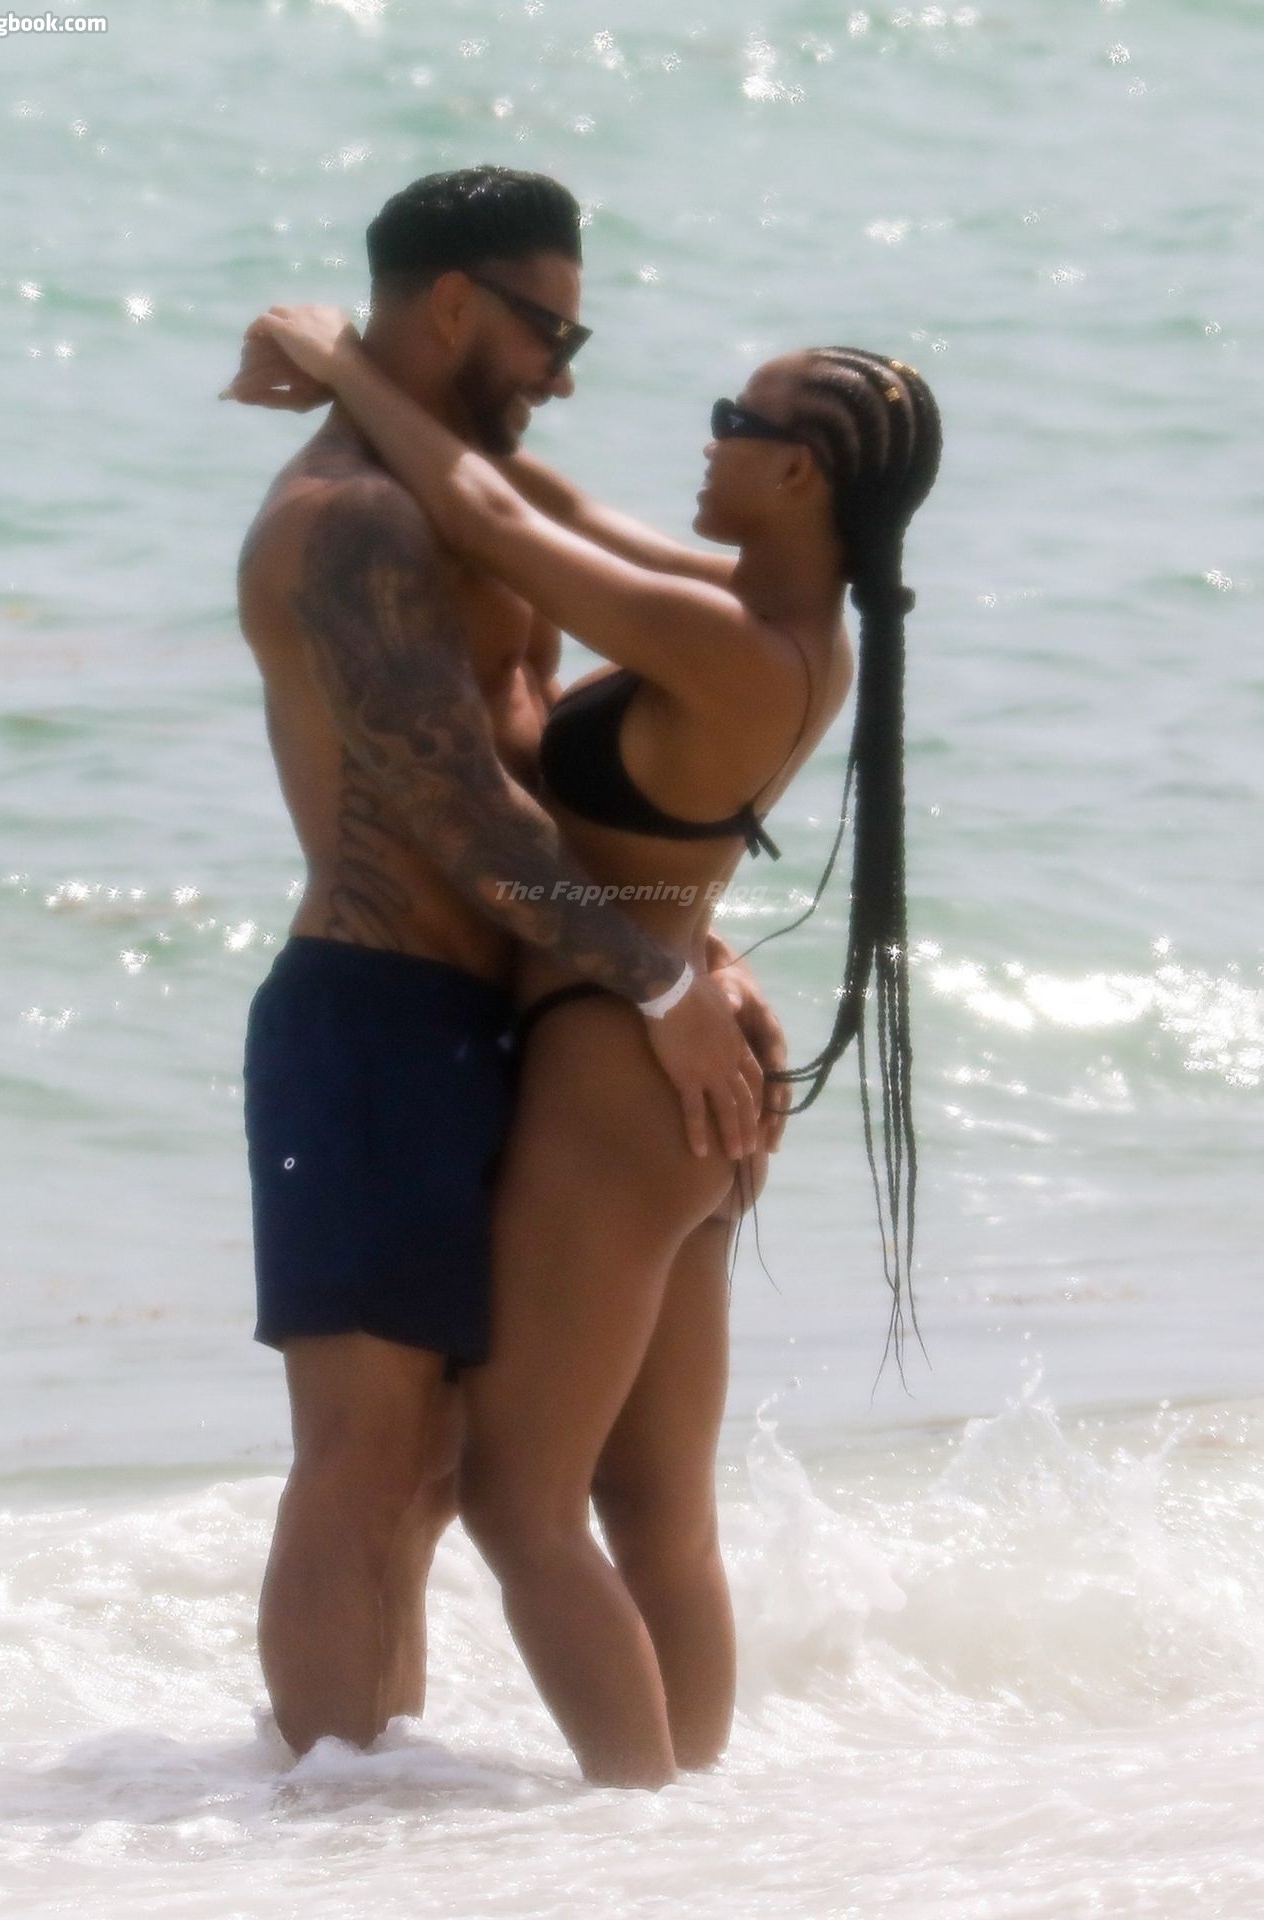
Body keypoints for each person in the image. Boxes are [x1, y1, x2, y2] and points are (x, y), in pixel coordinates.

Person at [237, 297, 943, 1788]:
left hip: (618, 1069)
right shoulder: (781, 626)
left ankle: (637, 1831)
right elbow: (532, 498)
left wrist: (344, 359)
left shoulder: (720, 633)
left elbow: (495, 515)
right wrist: (378, 378)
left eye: (738, 423)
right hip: (679, 1081)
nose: (709, 438)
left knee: (523, 1506)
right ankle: (693, 1832)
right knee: (658, 1513)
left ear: (799, 472)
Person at [222, 168, 782, 1767]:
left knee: (452, 1467)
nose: (566, 372)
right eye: (553, 332)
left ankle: (419, 1816)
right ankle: (326, 1827)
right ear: (455, 303)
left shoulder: (475, 504)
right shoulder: (354, 520)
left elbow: (565, 775)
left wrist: (695, 947)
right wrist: (658, 991)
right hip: (374, 1016)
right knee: (369, 1456)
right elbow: (457, 809)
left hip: (510, 1020)